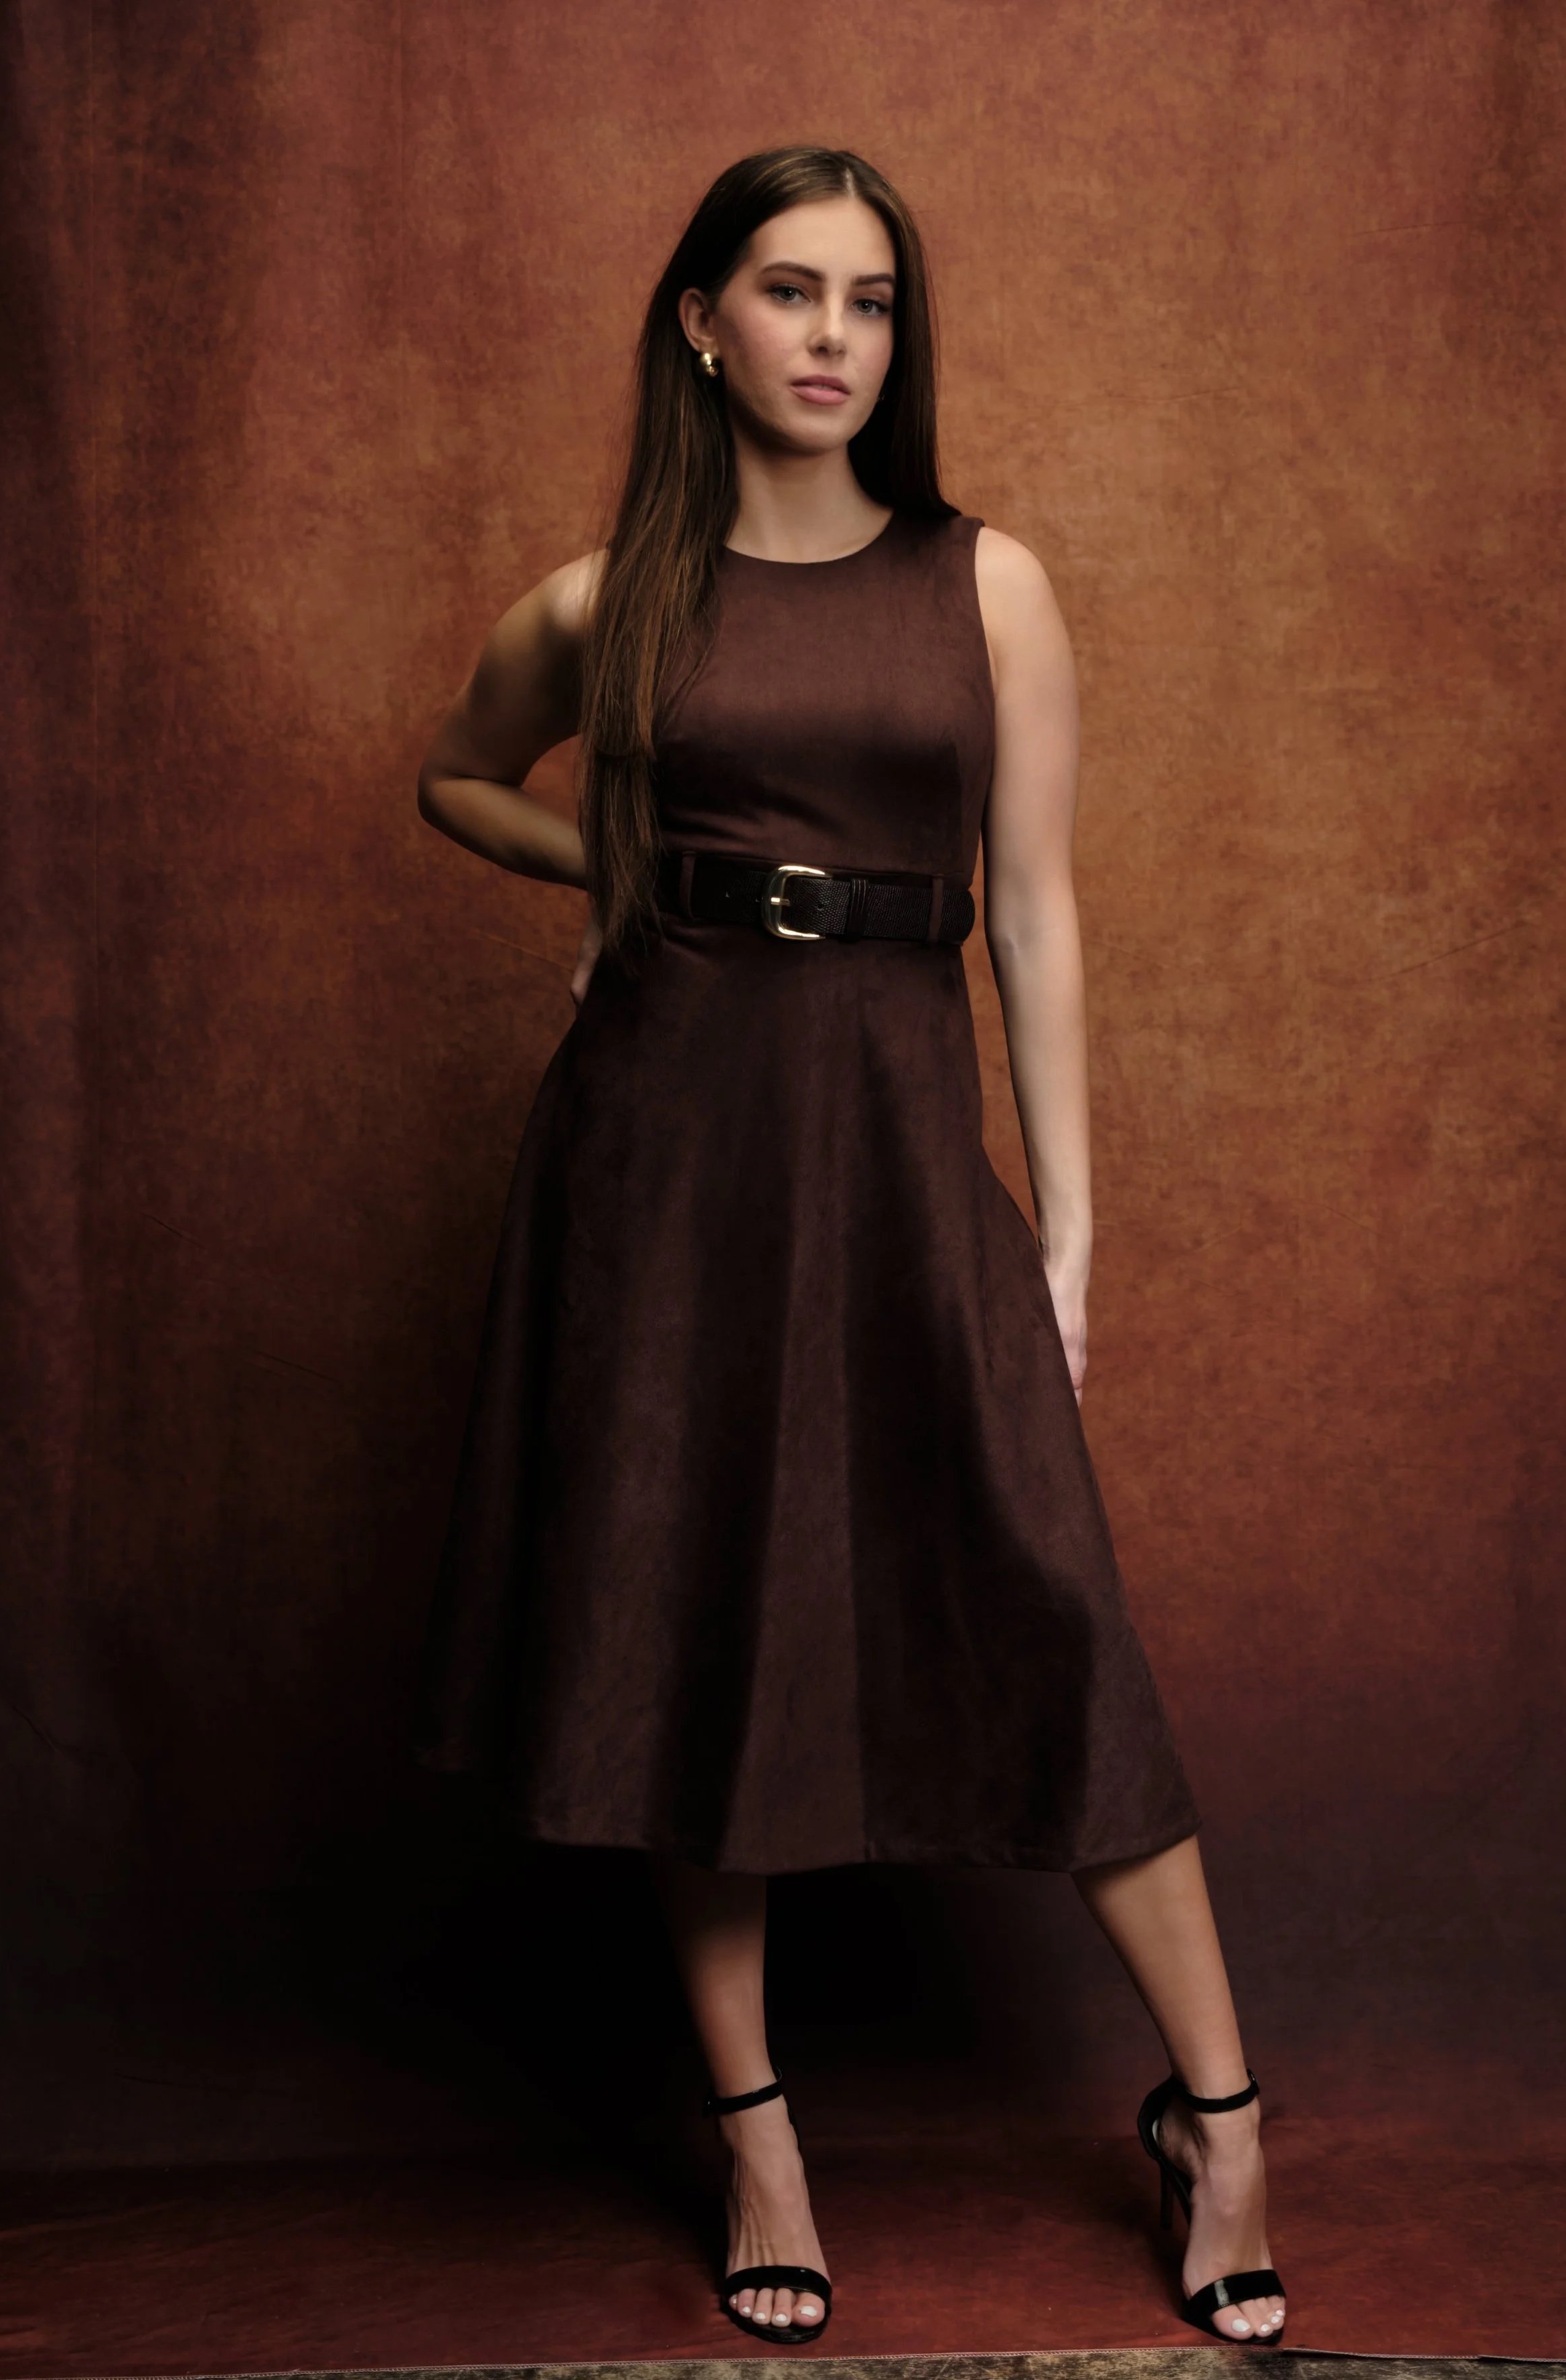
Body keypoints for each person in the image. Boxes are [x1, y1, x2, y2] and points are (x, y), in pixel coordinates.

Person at [410, 145, 1286, 2350]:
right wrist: (612, 874)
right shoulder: (602, 601)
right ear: (699, 323)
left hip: (897, 1153)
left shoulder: (987, 584)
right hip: (662, 1157)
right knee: (696, 1620)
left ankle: (1221, 2122)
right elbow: (456, 778)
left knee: (1053, 1610)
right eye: (790, 290)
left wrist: (1066, 1232)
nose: (833, 336)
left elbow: (1039, 917)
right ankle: (759, 2136)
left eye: (871, 299)